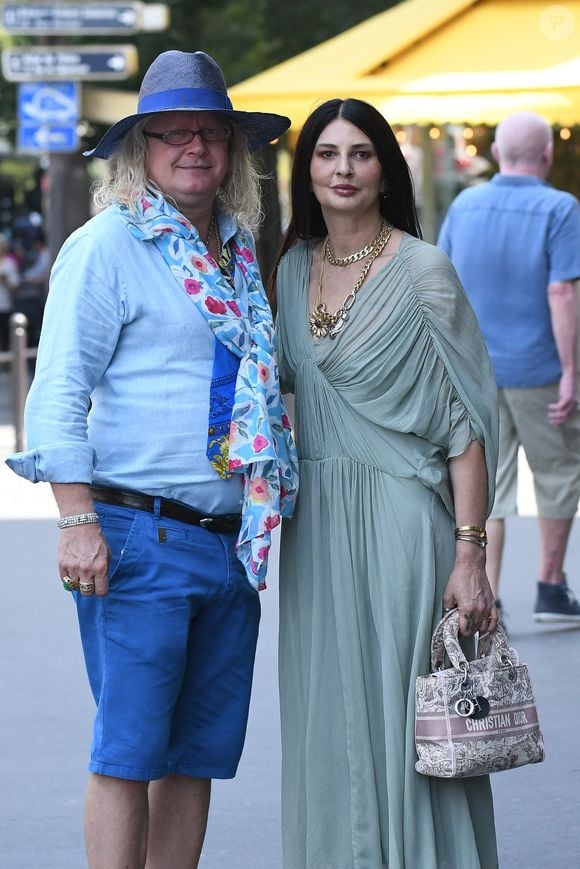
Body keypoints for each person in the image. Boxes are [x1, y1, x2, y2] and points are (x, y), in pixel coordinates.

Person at [6, 50, 297, 869]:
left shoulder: (240, 256)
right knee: (128, 753)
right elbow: (56, 395)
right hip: (140, 538)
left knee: (195, 756)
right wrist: (75, 522)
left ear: (233, 150)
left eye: (209, 132)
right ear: (141, 151)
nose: (194, 147)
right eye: (172, 133)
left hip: (230, 543)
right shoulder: (104, 248)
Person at [271, 98, 499, 868]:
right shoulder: (290, 268)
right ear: (306, 171)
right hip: (315, 526)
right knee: (328, 710)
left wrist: (471, 555)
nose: (343, 169)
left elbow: (467, 428)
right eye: (327, 154)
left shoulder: (424, 271)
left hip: (405, 519)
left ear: (384, 169)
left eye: (361, 154)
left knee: (410, 717)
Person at [438, 111, 580, 623]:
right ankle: (550, 587)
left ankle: (488, 596)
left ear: (497, 154)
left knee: (487, 486)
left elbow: (441, 286)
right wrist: (572, 371)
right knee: (558, 474)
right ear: (545, 155)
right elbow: (562, 292)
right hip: (540, 371)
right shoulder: (560, 209)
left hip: (474, 373)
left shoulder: (465, 204)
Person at [0, 235, 20, 351]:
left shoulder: (9, 264)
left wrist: (5, 280)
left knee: (6, 337)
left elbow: (15, 287)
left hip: (5, 306)